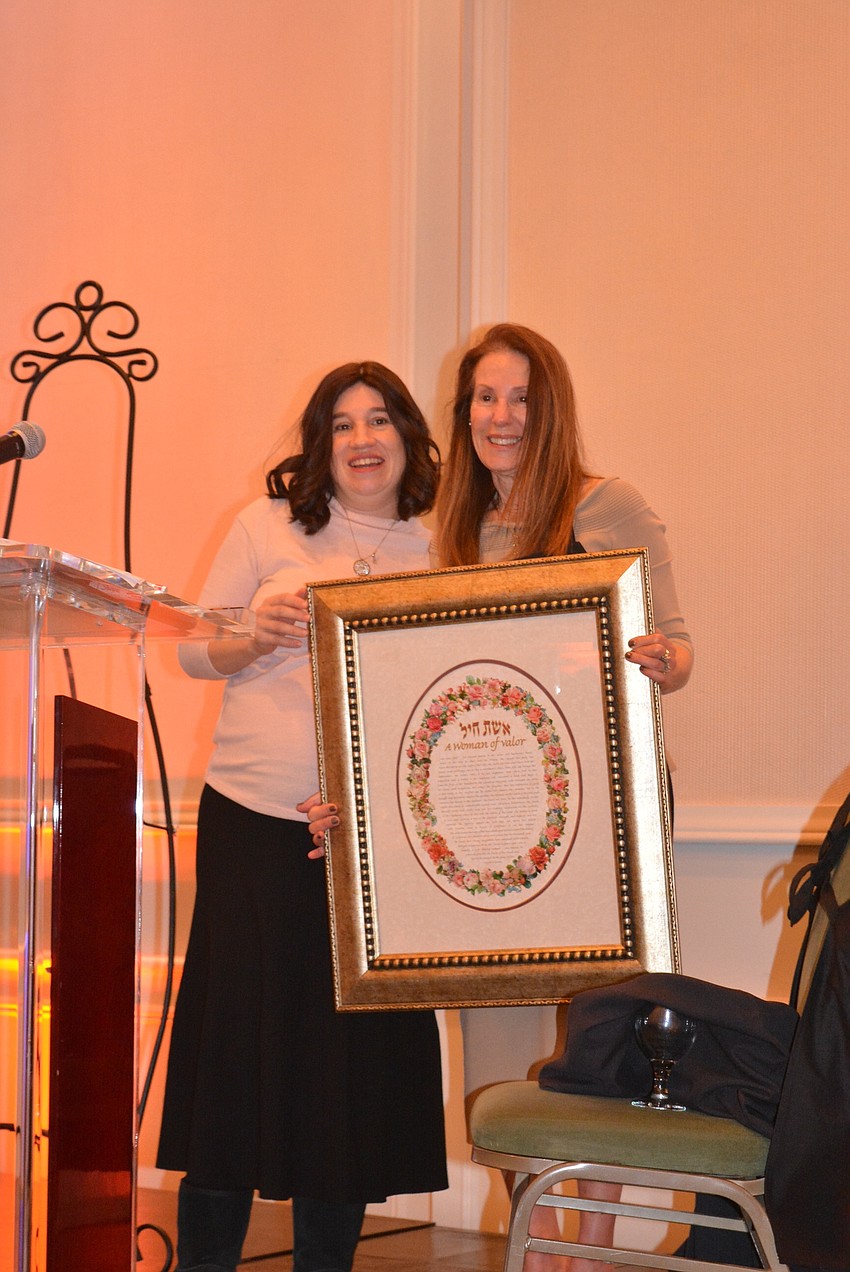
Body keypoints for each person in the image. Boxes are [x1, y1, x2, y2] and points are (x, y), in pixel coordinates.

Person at [156, 362, 448, 1272]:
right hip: (251, 822)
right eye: (342, 424)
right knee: (233, 1054)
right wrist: (254, 634)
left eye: (380, 421)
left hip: (375, 841)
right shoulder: (266, 524)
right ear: (321, 443)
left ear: (408, 438)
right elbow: (194, 652)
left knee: (345, 1071)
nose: (362, 440)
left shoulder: (440, 543)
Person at [438, 322, 692, 1272]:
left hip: (604, 815)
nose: (501, 417)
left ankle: (591, 1254)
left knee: (597, 1039)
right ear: (465, 412)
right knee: (502, 1046)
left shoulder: (607, 503)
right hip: (489, 822)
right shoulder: (452, 532)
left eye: (521, 399)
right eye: (485, 398)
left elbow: (678, 645)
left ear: (551, 411)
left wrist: (662, 659)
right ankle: (539, 1249)